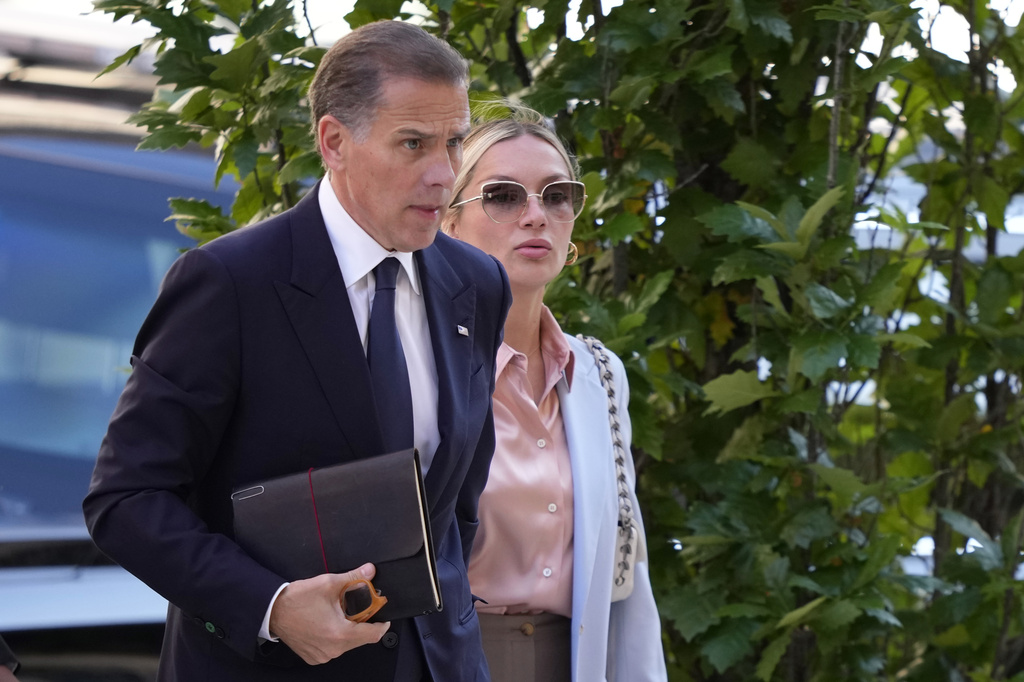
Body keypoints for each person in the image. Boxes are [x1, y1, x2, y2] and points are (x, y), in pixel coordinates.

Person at [83, 20, 511, 681]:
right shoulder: (230, 283)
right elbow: (126, 499)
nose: (444, 174)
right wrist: (273, 607)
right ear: (334, 142)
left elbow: (455, 508)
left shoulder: (476, 282)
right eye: (413, 144)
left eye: (454, 143)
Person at [442, 107, 668, 682]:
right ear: (449, 222)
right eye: (503, 195)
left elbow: (626, 577)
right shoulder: (419, 364)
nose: (535, 214)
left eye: (557, 195)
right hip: (448, 662)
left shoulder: (601, 373)